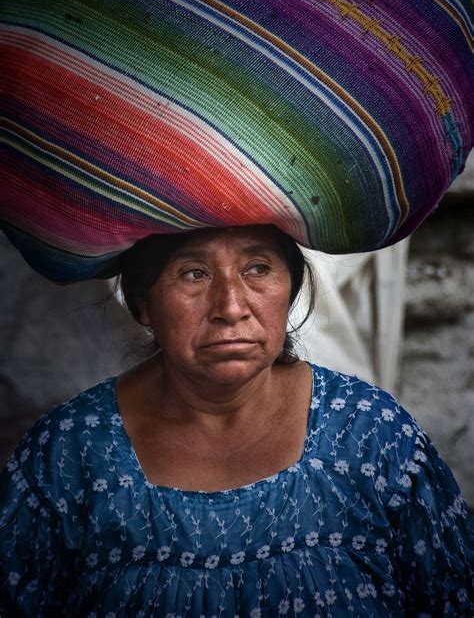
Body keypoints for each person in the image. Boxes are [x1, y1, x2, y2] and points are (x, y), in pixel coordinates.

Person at [1, 223, 473, 616]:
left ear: (290, 290)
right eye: (193, 273)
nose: (230, 307)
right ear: (142, 303)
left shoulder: (371, 433)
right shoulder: (69, 452)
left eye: (258, 268)